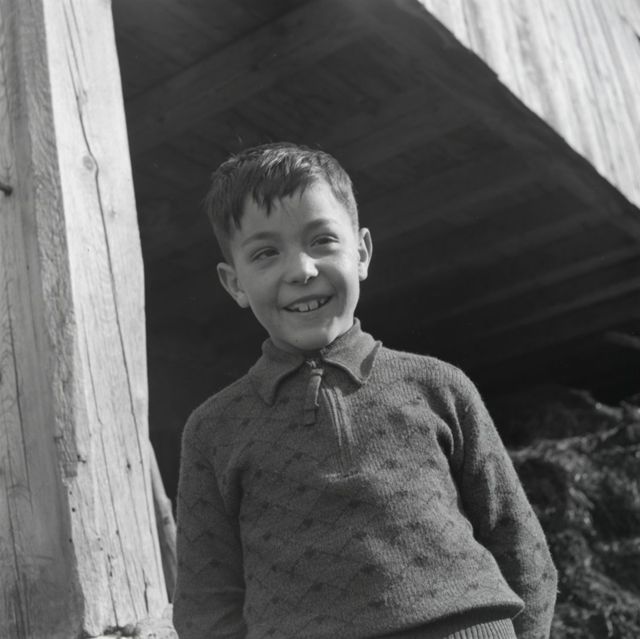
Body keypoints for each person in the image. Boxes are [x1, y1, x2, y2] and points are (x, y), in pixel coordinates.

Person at [173, 142, 558, 639]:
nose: (301, 270)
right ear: (234, 284)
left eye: (322, 240)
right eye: (266, 253)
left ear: (362, 253)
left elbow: (520, 544)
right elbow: (205, 607)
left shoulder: (438, 385)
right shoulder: (213, 430)